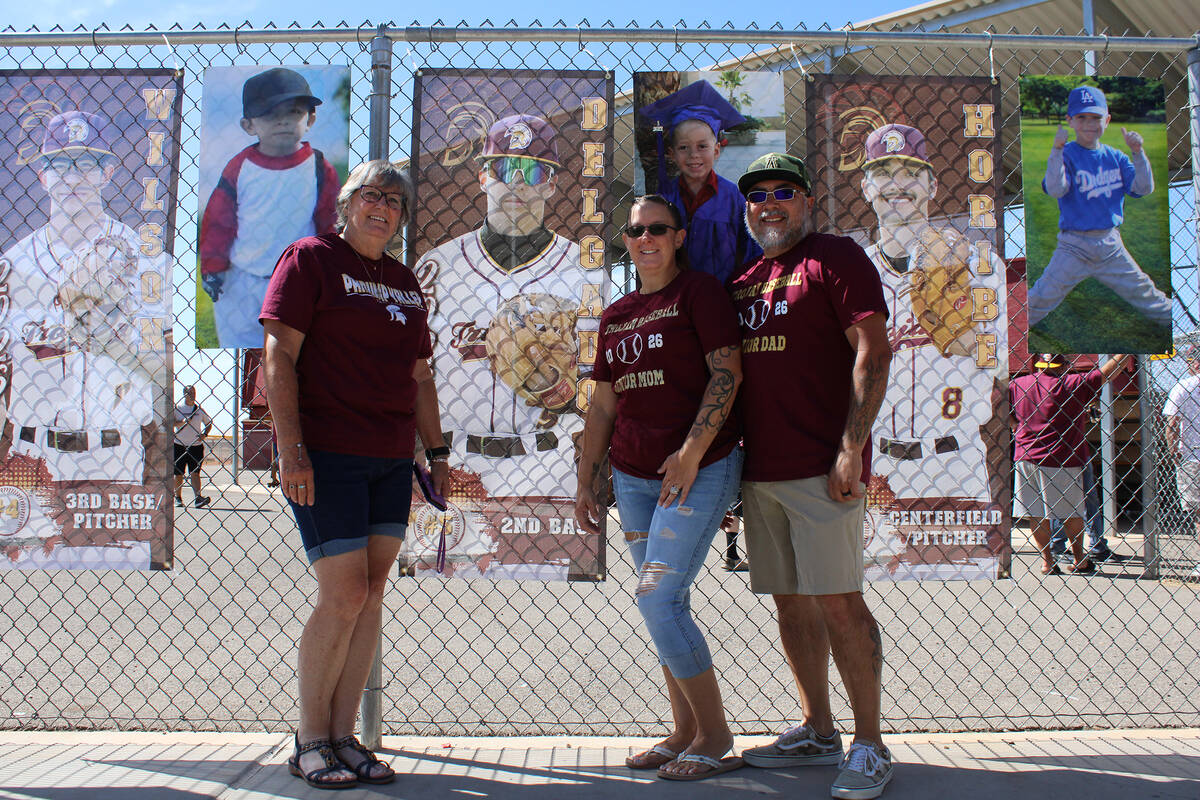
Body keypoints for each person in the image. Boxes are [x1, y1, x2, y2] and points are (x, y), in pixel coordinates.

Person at [260, 160, 448, 789]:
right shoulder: (309, 259)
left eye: (394, 201)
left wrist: (438, 453)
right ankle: (310, 739)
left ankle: (346, 737)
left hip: (391, 458)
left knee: (371, 594)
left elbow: (420, 375)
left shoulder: (403, 282)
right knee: (342, 593)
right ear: (346, 204)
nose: (383, 208)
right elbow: (279, 353)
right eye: (371, 196)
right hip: (328, 454)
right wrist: (292, 452)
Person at [728, 153, 895, 799]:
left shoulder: (835, 257)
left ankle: (870, 744)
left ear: (805, 200)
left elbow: (872, 349)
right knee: (789, 602)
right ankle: (818, 728)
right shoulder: (744, 276)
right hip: (760, 469)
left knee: (839, 602)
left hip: (822, 468)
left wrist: (851, 446)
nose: (769, 203)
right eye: (757, 195)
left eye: (783, 191)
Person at [575, 194, 744, 781]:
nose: (644, 238)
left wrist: (691, 453)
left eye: (657, 229)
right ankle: (684, 731)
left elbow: (727, 372)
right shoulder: (617, 314)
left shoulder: (700, 294)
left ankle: (715, 734)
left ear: (678, 238)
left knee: (657, 597)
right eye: (634, 230)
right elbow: (602, 406)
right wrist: (587, 481)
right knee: (663, 605)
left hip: (697, 469)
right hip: (633, 476)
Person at [414, 113, 591, 573]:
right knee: (435, 608)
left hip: (547, 463)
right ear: (481, 177)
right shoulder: (437, 267)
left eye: (532, 170)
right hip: (453, 465)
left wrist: (570, 392)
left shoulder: (584, 271)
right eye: (503, 168)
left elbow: (599, 380)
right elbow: (411, 371)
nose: (517, 182)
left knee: (546, 608)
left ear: (551, 184)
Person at [1, 110, 165, 485]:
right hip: (31, 450)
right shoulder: (11, 264)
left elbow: (163, 364)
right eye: (61, 165)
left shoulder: (148, 261)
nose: (73, 177)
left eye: (87, 164)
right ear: (42, 176)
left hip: (117, 450)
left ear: (108, 174)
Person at [858, 123, 1006, 503]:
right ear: (866, 189)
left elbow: (1003, 364)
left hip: (956, 462)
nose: (897, 184)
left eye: (910, 173)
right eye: (883, 173)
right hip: (875, 463)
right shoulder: (850, 274)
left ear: (933, 186)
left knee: (964, 563)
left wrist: (968, 337)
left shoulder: (979, 267)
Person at [200, 67, 339, 348]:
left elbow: (328, 222)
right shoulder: (240, 166)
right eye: (270, 114)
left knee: (297, 352)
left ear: (310, 119)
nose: (283, 122)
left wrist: (331, 270)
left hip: (296, 281)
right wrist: (213, 267)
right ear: (249, 125)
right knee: (243, 342)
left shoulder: (319, 167)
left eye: (293, 112)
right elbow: (218, 221)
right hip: (241, 278)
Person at [1027, 86, 1171, 330]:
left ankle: (1183, 337)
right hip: (1073, 247)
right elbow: (1055, 188)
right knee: (1038, 300)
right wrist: (1057, 150)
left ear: (1108, 120)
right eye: (1081, 117)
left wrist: (1138, 153)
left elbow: (1143, 188)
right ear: (1070, 120)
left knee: (1150, 297)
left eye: (1096, 117)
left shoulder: (1117, 157)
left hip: (1110, 246)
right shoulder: (1068, 153)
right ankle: (1009, 340)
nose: (1089, 124)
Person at [1010, 353, 1129, 576]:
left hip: (1026, 455)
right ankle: (1079, 558)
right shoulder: (1071, 383)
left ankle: (1047, 561)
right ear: (1064, 366)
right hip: (1063, 458)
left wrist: (1015, 426)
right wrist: (1128, 351)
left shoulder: (1018, 384)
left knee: (1037, 514)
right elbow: (1107, 372)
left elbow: (999, 405)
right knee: (1072, 512)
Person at [637, 80, 762, 283]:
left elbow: (752, 251)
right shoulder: (665, 198)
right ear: (672, 154)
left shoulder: (734, 197)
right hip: (676, 299)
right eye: (683, 148)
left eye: (702, 146)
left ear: (716, 151)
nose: (693, 155)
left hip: (725, 298)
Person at [1164, 346, 1200, 579]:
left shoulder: (1183, 387)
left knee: (1198, 512)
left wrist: (1172, 450)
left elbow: (1172, 423)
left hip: (1192, 455)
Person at [173, 385, 213, 508]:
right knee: (178, 473)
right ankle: (178, 498)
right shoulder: (178, 409)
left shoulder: (199, 410)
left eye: (194, 392)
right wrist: (181, 423)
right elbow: (170, 422)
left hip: (195, 446)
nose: (192, 395)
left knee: (195, 472)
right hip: (179, 445)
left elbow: (209, 423)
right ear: (184, 394)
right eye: (190, 392)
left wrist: (204, 434)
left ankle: (198, 498)